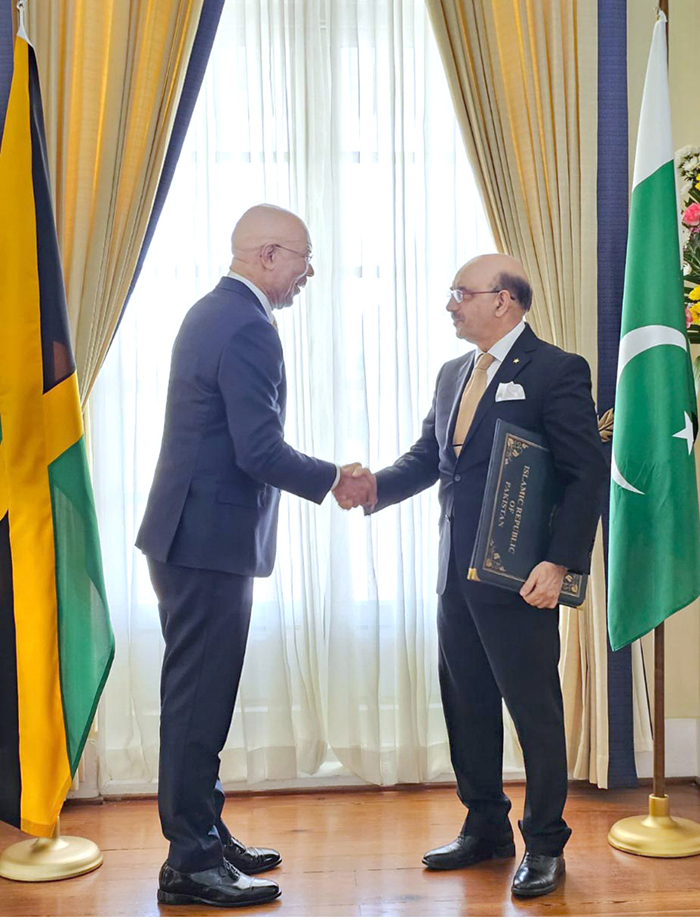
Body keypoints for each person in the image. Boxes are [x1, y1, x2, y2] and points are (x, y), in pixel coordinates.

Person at [336, 253, 606, 898]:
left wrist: (559, 560)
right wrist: (376, 485)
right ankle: (486, 826)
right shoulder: (453, 372)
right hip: (455, 573)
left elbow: (585, 471)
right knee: (467, 702)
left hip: (521, 576)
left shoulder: (556, 370)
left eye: (461, 293)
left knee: (533, 708)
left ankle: (545, 843)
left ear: (504, 302)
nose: (451, 304)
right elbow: (431, 458)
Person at [136, 204, 373, 908]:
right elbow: (259, 450)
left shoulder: (217, 311)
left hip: (193, 537)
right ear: (269, 255)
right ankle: (190, 863)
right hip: (205, 544)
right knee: (197, 704)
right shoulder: (243, 324)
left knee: (200, 697)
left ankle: (205, 832)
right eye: (303, 258)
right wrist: (337, 479)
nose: (308, 274)